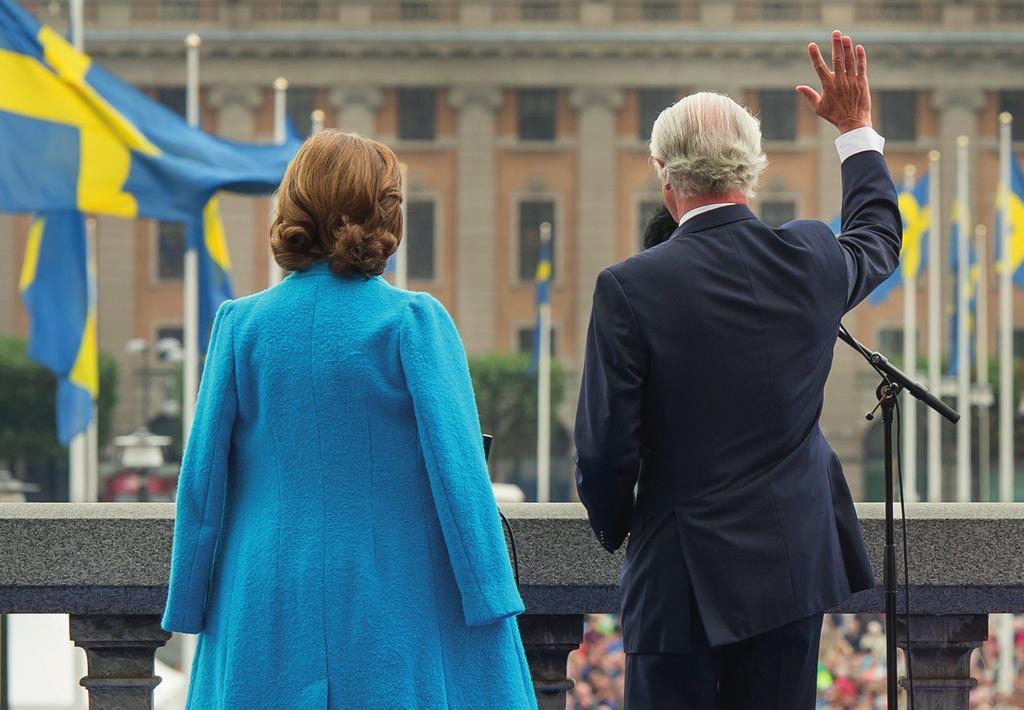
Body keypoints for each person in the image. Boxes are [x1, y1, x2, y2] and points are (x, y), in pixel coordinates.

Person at [573, 31, 901, 709]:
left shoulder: (628, 287)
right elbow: (877, 236)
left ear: (666, 179)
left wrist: (615, 527)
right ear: (752, 174)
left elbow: (607, 448)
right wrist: (856, 130)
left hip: (675, 580)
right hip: (789, 578)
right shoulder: (809, 257)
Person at [161, 130, 536, 709]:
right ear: (384, 214)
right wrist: (489, 597)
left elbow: (201, 487)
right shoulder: (413, 322)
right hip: (392, 594)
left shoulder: (240, 325)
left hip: (262, 599)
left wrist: (187, 602)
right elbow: (460, 479)